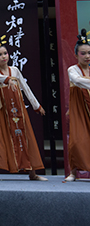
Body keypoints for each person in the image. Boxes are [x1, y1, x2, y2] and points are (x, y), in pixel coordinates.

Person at [0, 34, 46, 181]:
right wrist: (6, 79)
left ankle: (32, 173)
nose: (3, 57)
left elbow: (25, 87)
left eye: (5, 53)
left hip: (17, 108)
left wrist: (36, 105)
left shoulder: (15, 70)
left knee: (25, 135)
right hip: (1, 110)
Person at [65, 29, 90, 181]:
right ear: (76, 55)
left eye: (89, 53)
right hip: (79, 110)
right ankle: (73, 172)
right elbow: (78, 81)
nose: (87, 56)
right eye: (83, 53)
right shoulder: (72, 70)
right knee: (76, 141)